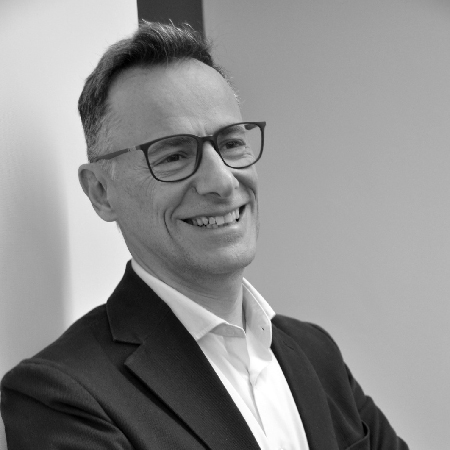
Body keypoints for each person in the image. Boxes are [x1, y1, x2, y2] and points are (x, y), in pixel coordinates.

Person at [0, 21, 408, 449]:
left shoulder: (316, 354)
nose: (223, 181)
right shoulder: (61, 396)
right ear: (101, 192)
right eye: (174, 155)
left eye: (231, 144)